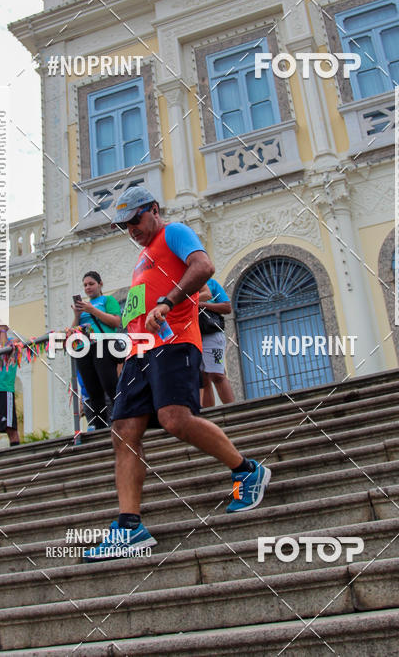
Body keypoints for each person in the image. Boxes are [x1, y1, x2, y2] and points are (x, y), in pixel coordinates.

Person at [84, 187, 270, 561]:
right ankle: (129, 526)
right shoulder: (141, 259)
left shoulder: (175, 232)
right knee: (123, 431)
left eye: (136, 220)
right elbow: (134, 312)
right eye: (125, 225)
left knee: (174, 418)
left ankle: (247, 470)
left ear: (154, 209)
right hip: (139, 353)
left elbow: (204, 268)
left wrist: (168, 302)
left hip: (176, 342)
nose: (132, 229)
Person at [71, 271, 123, 430]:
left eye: (91, 284)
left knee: (110, 384)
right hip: (84, 348)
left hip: (103, 344)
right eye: (85, 285)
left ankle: (121, 421)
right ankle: (100, 426)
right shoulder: (83, 307)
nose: (88, 287)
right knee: (93, 390)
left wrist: (92, 310)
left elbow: (115, 321)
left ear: (100, 284)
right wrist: (77, 315)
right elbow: (74, 330)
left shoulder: (108, 300)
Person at [199, 277, 235, 407]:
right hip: (194, 337)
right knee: (203, 378)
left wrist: (203, 305)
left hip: (212, 334)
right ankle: (210, 417)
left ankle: (233, 413)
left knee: (217, 374)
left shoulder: (211, 284)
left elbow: (227, 307)